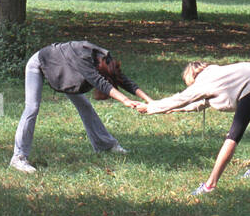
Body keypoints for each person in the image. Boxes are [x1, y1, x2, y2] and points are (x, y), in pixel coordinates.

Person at [138, 59, 250, 195]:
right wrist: (172, 110)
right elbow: (200, 103)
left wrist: (151, 107)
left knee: (233, 137)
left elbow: (181, 99)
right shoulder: (219, 75)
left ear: (192, 76)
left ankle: (210, 185)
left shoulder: (204, 80)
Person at [10, 40, 152, 173]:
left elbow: (123, 80)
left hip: (66, 71)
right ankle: (18, 158)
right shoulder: (83, 59)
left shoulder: (105, 59)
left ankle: (105, 145)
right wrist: (126, 101)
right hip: (41, 63)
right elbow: (99, 82)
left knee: (85, 106)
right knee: (32, 108)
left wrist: (149, 100)